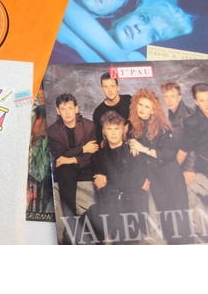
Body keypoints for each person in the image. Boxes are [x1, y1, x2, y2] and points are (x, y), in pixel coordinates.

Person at [128, 88, 191, 244]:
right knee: (165, 217)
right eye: (140, 105)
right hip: (154, 176)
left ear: (153, 111)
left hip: (170, 175)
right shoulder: (134, 127)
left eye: (147, 106)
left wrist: (143, 149)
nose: (142, 109)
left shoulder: (162, 127)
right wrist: (131, 145)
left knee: (179, 216)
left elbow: (168, 154)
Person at [55, 0, 193, 64]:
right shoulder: (83, 19)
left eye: (152, 35)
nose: (140, 27)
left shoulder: (134, 62)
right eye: (143, 18)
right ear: (131, 14)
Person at [85, 111, 150, 244]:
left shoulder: (134, 151)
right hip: (111, 203)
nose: (113, 133)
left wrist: (108, 179)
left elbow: (137, 179)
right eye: (109, 129)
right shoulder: (97, 157)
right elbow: (101, 186)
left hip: (133, 204)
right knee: (85, 222)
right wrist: (126, 181)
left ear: (123, 130)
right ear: (104, 131)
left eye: (116, 128)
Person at [47, 93, 98, 243]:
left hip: (87, 166)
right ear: (58, 111)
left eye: (70, 108)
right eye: (63, 109)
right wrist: (83, 149)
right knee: (65, 171)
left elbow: (93, 153)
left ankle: (91, 229)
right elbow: (59, 156)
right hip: (66, 170)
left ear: (76, 109)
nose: (67, 112)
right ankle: (69, 227)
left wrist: (72, 158)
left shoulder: (89, 126)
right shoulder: (53, 131)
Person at [178, 83, 208, 241]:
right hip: (203, 167)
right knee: (187, 188)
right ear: (196, 102)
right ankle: (202, 232)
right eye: (202, 100)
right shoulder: (193, 121)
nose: (207, 104)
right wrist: (186, 168)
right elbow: (186, 148)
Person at [92, 72, 132, 145]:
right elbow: (100, 141)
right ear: (102, 89)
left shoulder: (128, 100)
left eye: (112, 86)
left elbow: (140, 121)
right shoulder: (98, 112)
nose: (109, 90)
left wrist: (128, 126)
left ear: (118, 87)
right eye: (106, 87)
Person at [160, 81, 193, 164]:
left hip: (191, 163)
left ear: (179, 98)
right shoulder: (172, 113)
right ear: (163, 98)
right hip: (180, 157)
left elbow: (192, 145)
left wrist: (189, 168)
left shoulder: (187, 115)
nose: (169, 100)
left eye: (172, 96)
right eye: (166, 96)